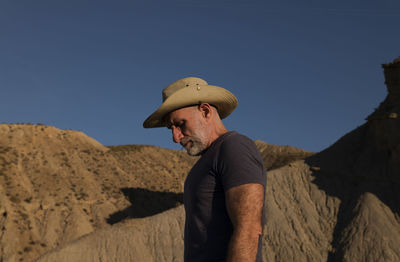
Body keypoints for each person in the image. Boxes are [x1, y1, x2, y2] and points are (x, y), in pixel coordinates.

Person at [143, 77, 266, 262]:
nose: (176, 138)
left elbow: (249, 229)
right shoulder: (208, 159)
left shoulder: (234, 147)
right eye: (171, 128)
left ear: (205, 111)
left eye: (180, 124)